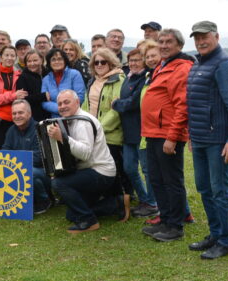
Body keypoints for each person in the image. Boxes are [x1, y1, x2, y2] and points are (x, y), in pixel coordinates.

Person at [186, 21, 228, 260]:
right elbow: (195, 104)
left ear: (216, 37)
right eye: (197, 38)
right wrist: (192, 135)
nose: (200, 41)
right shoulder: (199, 63)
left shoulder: (224, 64)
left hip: (218, 140)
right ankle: (215, 233)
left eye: (205, 37)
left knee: (220, 190)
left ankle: (226, 241)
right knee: (205, 188)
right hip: (200, 138)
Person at [141, 28, 195, 242]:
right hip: (153, 133)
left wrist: (173, 137)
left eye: (168, 42)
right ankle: (165, 219)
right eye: (161, 41)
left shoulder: (181, 68)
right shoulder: (164, 66)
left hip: (167, 134)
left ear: (179, 45)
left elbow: (182, 106)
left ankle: (175, 225)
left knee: (171, 181)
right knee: (157, 179)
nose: (163, 45)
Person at [48, 90, 125, 233]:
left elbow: (85, 154)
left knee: (58, 184)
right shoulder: (70, 120)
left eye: (66, 102)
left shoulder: (83, 122)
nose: (62, 106)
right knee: (71, 215)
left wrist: (62, 138)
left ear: (77, 102)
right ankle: (116, 204)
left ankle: (89, 221)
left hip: (101, 172)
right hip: (89, 170)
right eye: (59, 104)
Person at [82, 47, 130, 217]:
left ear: (111, 63)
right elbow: (86, 106)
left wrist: (98, 128)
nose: (100, 65)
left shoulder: (119, 80)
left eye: (103, 62)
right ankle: (109, 202)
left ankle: (121, 202)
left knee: (113, 171)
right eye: (96, 62)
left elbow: (116, 109)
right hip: (92, 133)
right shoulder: (93, 81)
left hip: (110, 134)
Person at [112, 45, 157, 217]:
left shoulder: (145, 79)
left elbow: (132, 102)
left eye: (137, 60)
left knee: (147, 170)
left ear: (144, 61)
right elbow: (127, 101)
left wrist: (116, 104)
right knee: (129, 167)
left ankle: (152, 203)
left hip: (142, 131)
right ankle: (145, 198)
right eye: (131, 60)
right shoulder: (128, 78)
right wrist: (121, 104)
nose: (133, 63)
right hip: (128, 133)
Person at [2, 100, 51, 214]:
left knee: (28, 171)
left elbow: (39, 158)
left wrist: (14, 159)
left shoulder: (39, 129)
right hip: (19, 168)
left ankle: (45, 200)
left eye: (21, 113)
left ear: (29, 114)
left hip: (42, 172)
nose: (17, 116)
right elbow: (5, 152)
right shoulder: (11, 130)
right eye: (14, 113)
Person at [0, 45, 26, 147]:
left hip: (16, 118)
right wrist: (13, 95)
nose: (9, 58)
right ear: (1, 57)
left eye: (12, 55)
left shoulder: (19, 74)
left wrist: (4, 94)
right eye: (6, 55)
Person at [41, 48, 86, 118]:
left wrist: (66, 109)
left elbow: (80, 97)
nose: (57, 62)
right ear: (49, 63)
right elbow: (44, 102)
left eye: (60, 59)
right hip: (55, 120)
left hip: (75, 117)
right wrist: (61, 109)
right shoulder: (45, 79)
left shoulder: (75, 74)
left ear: (65, 61)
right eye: (53, 59)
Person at [15, 50, 49, 122]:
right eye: (29, 61)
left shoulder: (48, 73)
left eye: (35, 60)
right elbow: (24, 99)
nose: (32, 64)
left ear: (41, 60)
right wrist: (43, 96)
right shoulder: (23, 77)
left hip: (50, 114)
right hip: (34, 117)